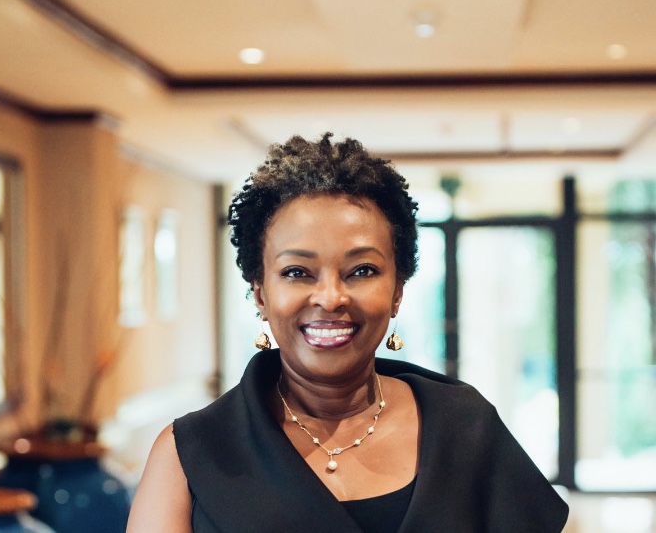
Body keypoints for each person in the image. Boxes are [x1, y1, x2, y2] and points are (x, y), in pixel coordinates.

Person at [126, 133, 569, 532]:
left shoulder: (464, 427)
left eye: (362, 270)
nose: (331, 297)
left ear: (397, 291)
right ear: (260, 293)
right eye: (297, 271)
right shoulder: (190, 454)